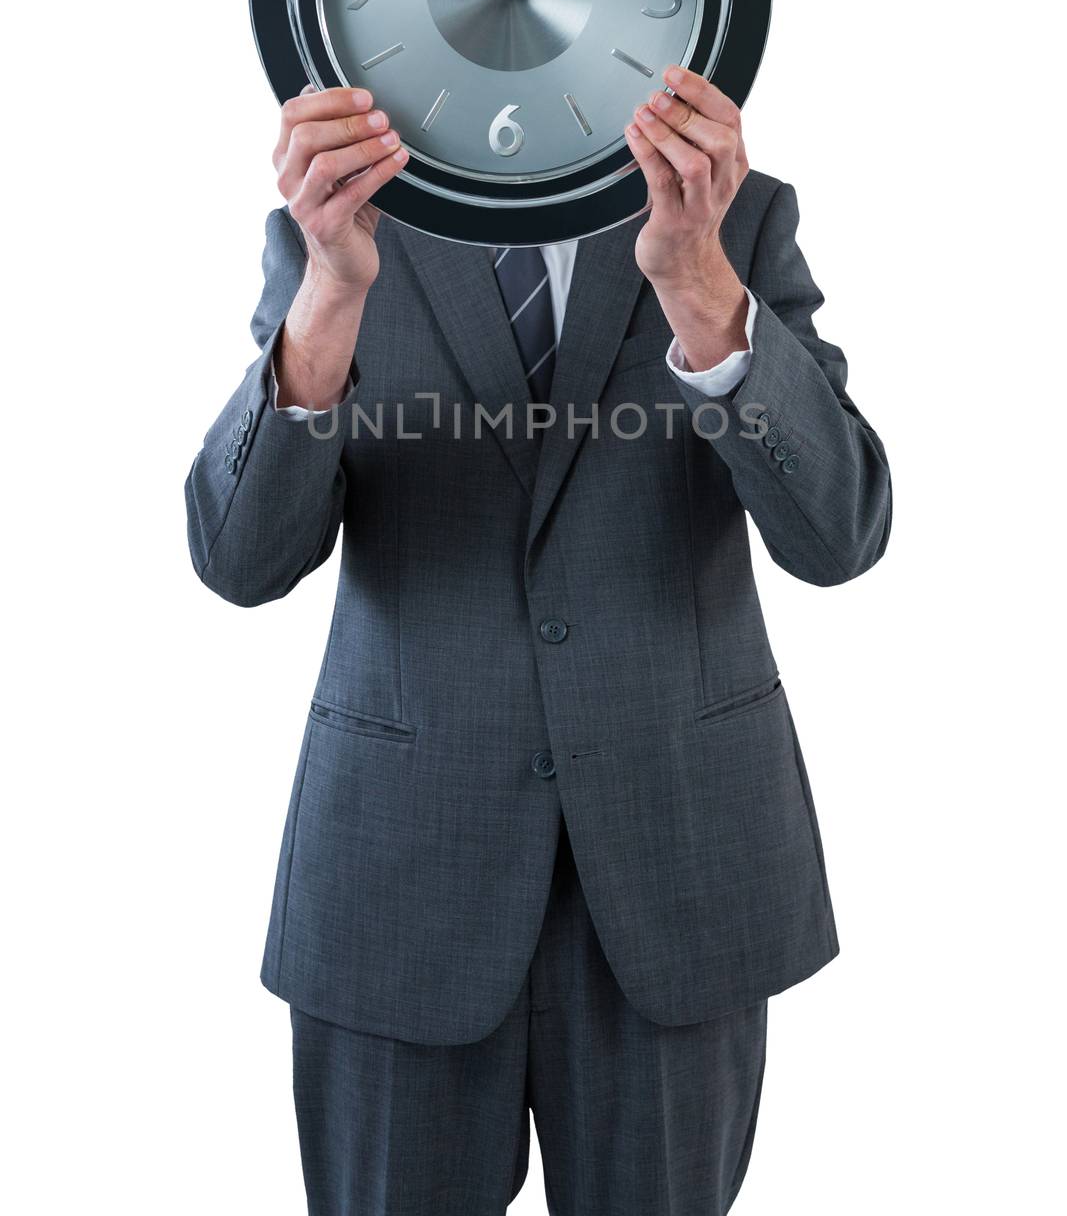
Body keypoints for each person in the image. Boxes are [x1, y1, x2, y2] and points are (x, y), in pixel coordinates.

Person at [185, 66, 891, 1215]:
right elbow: (239, 560)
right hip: (399, 880)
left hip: (672, 873)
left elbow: (840, 529)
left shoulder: (733, 215)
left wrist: (700, 285)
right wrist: (327, 300)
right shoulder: (339, 223)